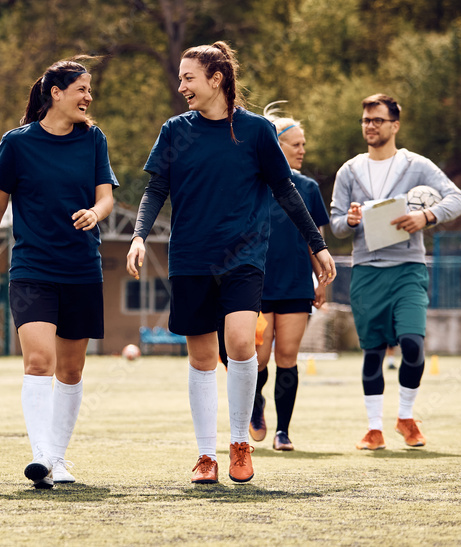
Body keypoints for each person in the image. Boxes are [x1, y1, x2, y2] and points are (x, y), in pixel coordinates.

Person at [126, 42, 336, 485]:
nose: (181, 85)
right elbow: (155, 189)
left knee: (241, 343)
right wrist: (139, 235)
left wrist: (317, 245)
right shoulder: (174, 131)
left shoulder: (258, 131)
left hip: (243, 258)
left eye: (189, 78)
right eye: (181, 78)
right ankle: (206, 456)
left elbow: (286, 191)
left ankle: (240, 442)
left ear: (216, 79)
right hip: (189, 259)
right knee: (202, 358)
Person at [0, 58, 117, 489]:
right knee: (39, 361)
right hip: (32, 268)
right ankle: (40, 458)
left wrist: (95, 211)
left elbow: (105, 197)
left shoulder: (94, 140)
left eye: (89, 90)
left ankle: (58, 458)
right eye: (81, 89)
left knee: (70, 371)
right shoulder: (16, 144)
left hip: (82, 269)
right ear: (56, 92)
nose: (88, 97)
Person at [330, 93, 461, 450]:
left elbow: (458, 198)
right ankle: (373, 429)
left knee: (412, 343)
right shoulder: (350, 170)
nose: (370, 126)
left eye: (377, 120)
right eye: (365, 120)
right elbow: (335, 224)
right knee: (373, 351)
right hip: (367, 272)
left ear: (395, 125)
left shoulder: (416, 166)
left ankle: (406, 418)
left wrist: (425, 215)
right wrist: (350, 219)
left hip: (408, 268)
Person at [249, 104, 331, 452]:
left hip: (297, 285)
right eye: (295, 144)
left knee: (287, 356)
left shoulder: (309, 188)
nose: (302, 150)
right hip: (257, 287)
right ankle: (254, 409)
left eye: (303, 144)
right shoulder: (252, 183)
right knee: (259, 358)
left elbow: (316, 241)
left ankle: (283, 432)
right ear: (276, 145)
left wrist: (323, 282)